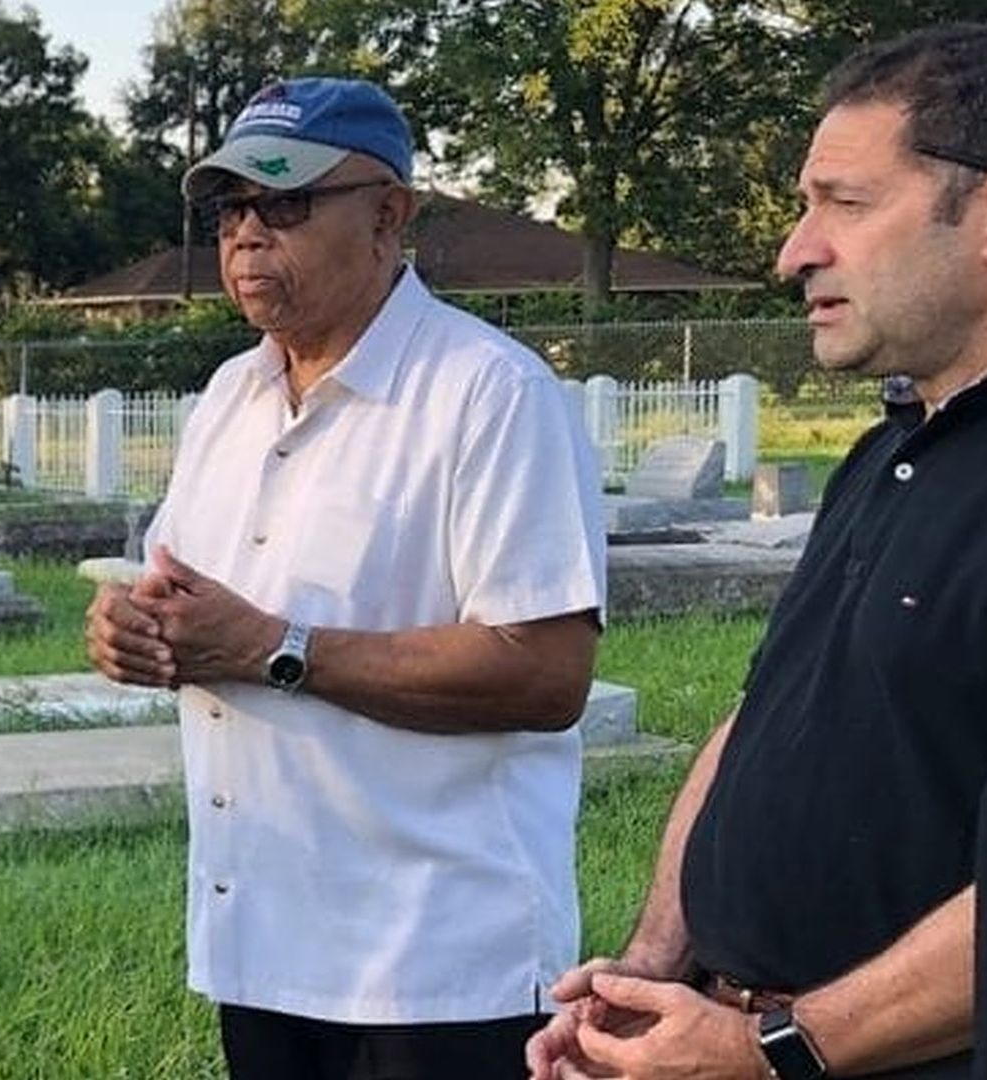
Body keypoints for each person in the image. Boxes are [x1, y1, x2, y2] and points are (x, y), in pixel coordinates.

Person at [526, 23, 987, 1080]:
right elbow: (763, 716)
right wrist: (655, 972)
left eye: (845, 203)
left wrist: (780, 1046)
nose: (795, 250)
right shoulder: (893, 448)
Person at [86, 77, 606, 1079]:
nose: (245, 236)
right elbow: (191, 603)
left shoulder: (488, 396)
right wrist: (133, 635)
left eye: (284, 204)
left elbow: (546, 676)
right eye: (231, 208)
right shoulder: (231, 398)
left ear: (388, 214)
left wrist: (273, 648)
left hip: (437, 964)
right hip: (263, 941)